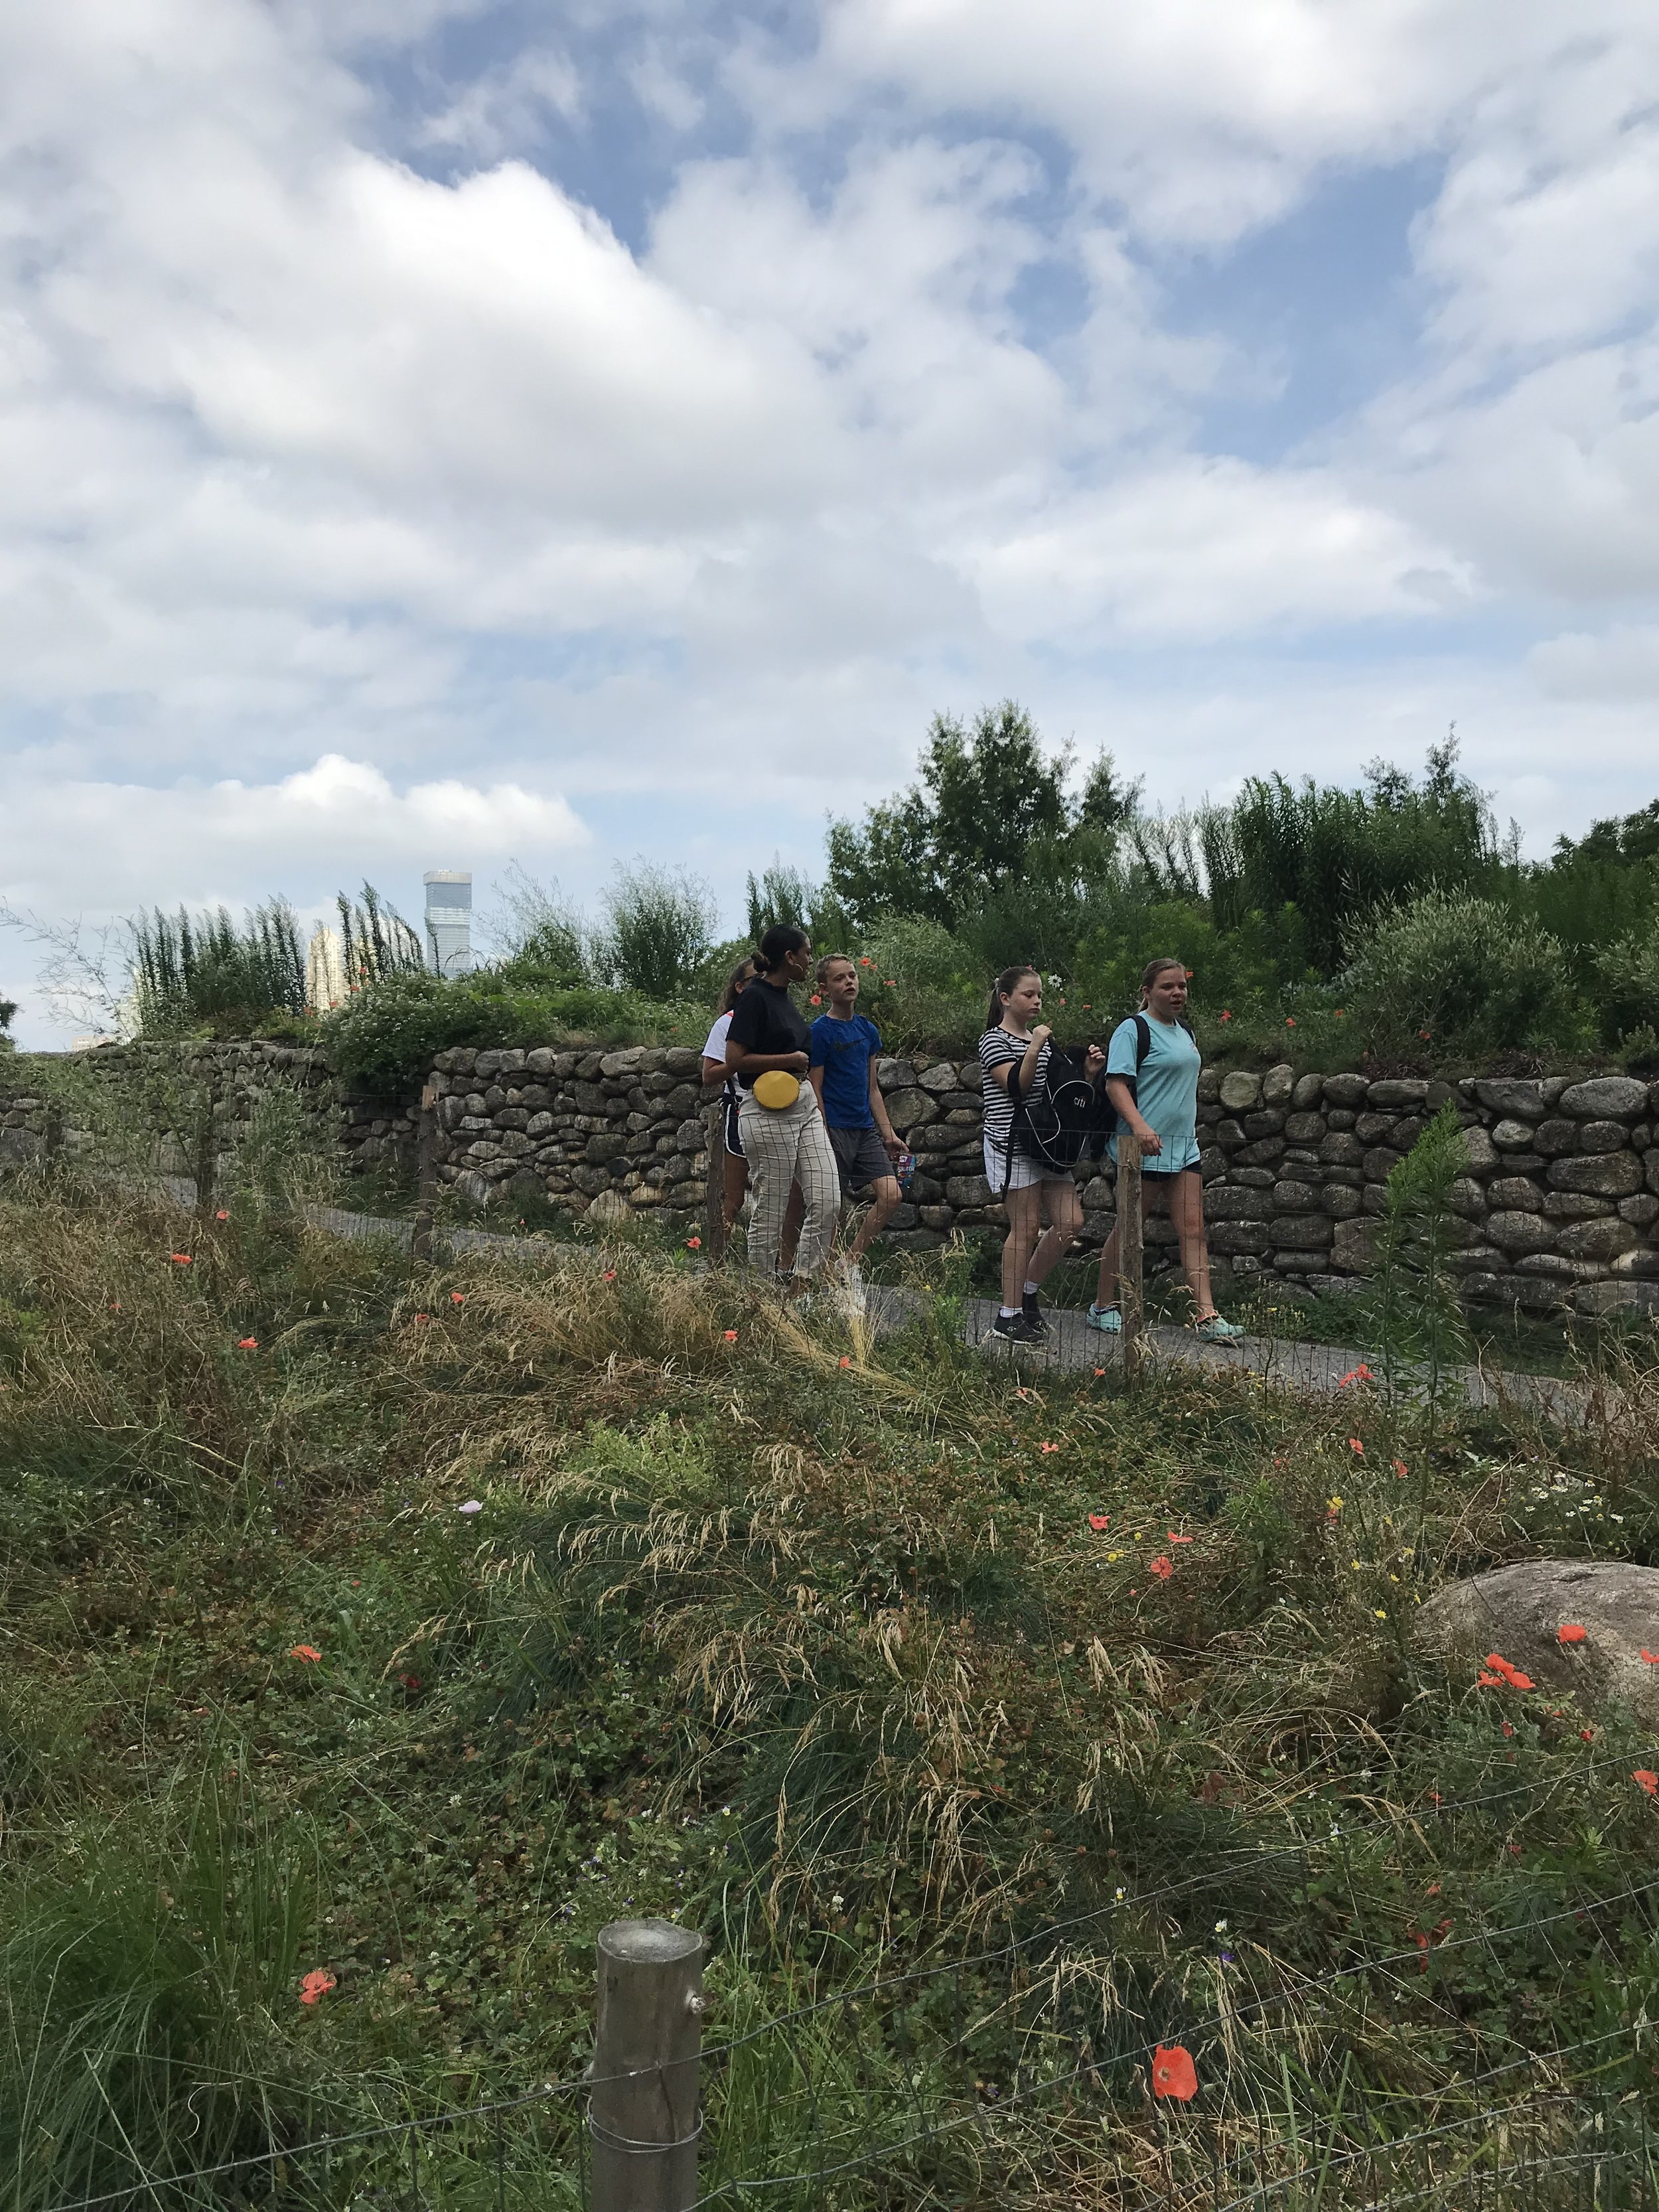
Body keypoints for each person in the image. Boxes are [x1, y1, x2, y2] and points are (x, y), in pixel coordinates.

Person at [1088, 956, 1244, 1343]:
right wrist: (1141, 1129)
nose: (1177, 993)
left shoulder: (1183, 1031)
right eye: (1167, 987)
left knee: (1193, 1230)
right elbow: (1115, 1084)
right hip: (1142, 1148)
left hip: (1183, 1146)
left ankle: (1207, 1316)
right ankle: (1102, 1307)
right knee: (1129, 1229)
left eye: (1182, 986)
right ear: (1147, 992)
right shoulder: (1132, 1030)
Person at [979, 965, 1105, 1343]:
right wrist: (1034, 1044)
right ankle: (1008, 1315)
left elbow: (1063, 1095)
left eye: (1039, 995)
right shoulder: (993, 1041)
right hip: (1013, 1142)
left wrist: (1089, 1073)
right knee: (1026, 1228)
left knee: (1071, 1222)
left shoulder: (1045, 1042)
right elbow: (1018, 1086)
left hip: (1047, 1143)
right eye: (1028, 995)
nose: (1036, 1001)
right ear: (1005, 999)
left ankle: (1028, 1293)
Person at [725, 924, 840, 1284]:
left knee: (827, 1202)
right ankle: (760, 1292)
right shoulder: (755, 997)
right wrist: (786, 1058)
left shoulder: (784, 996)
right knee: (771, 1212)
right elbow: (733, 1059)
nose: (810, 960)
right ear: (790, 958)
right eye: (806, 953)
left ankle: (799, 1286)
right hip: (767, 1109)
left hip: (803, 1103)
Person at [701, 958, 803, 1264]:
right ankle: (716, 1265)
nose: (763, 982)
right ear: (741, 987)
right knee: (733, 1198)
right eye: (755, 978)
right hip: (743, 1110)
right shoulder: (727, 1023)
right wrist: (744, 1063)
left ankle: (783, 1266)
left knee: (789, 1195)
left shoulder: (778, 1016)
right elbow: (708, 1076)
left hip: (785, 1110)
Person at [808, 954, 904, 1277]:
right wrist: (820, 1129)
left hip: (865, 1130)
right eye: (839, 978)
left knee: (891, 1195)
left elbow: (873, 1088)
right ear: (823, 988)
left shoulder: (867, 1030)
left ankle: (848, 1263)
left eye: (852, 976)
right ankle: (822, 1278)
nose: (849, 982)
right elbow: (815, 1087)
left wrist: (888, 1133)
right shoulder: (819, 1032)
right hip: (833, 1128)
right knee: (832, 1207)